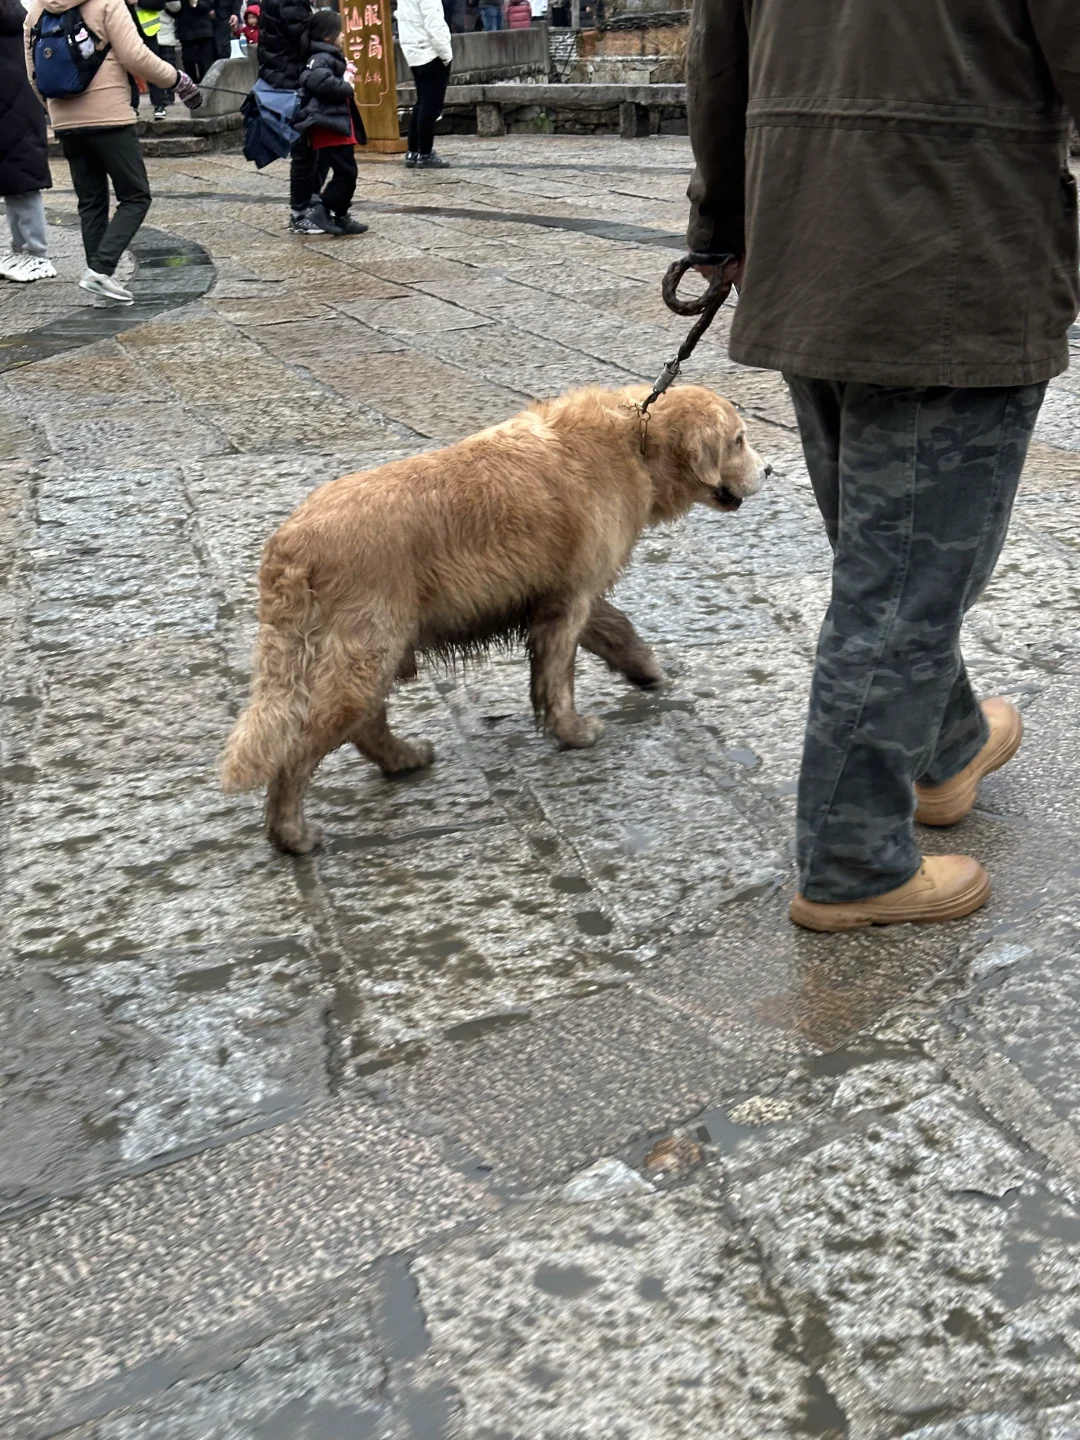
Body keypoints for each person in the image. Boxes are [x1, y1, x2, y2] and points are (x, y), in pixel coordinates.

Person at [686, 0, 1080, 933]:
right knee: (904, 583)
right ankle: (853, 859)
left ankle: (946, 752)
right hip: (957, 251)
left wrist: (725, 224)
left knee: (887, 562)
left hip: (804, 245)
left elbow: (717, 67)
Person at [24, 0, 201, 304]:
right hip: (109, 117)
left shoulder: (36, 11)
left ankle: (100, 277)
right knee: (136, 196)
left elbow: (33, 74)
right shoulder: (107, 2)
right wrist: (176, 80)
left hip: (65, 121)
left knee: (91, 201)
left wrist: (55, 111)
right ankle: (101, 269)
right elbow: (135, 56)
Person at [290, 6, 367, 236]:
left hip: (334, 121)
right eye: (340, 32)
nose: (343, 36)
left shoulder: (325, 56)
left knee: (346, 170)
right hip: (330, 125)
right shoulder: (321, 57)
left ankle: (340, 215)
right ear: (327, 36)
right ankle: (324, 209)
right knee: (347, 172)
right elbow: (316, 81)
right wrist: (346, 86)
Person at [1, 0, 56, 283]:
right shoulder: (13, 18)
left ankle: (36, 253)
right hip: (14, 112)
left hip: (15, 114)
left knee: (23, 185)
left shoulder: (9, 20)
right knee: (14, 185)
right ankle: (20, 250)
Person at [256, 0, 312, 227]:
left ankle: (310, 204)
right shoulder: (291, 2)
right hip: (290, 79)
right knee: (305, 149)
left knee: (310, 147)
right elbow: (304, 37)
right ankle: (301, 212)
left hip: (283, 75)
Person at [398, 0, 452, 169]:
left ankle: (413, 150)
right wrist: (446, 53)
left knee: (421, 102)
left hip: (413, 52)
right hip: (430, 52)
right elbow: (434, 23)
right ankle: (425, 153)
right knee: (431, 105)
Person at [175, 0, 216, 80]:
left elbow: (210, 4)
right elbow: (174, 10)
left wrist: (196, 3)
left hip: (204, 31)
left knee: (205, 65)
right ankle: (192, 87)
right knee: (188, 62)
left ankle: (206, 88)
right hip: (186, 32)